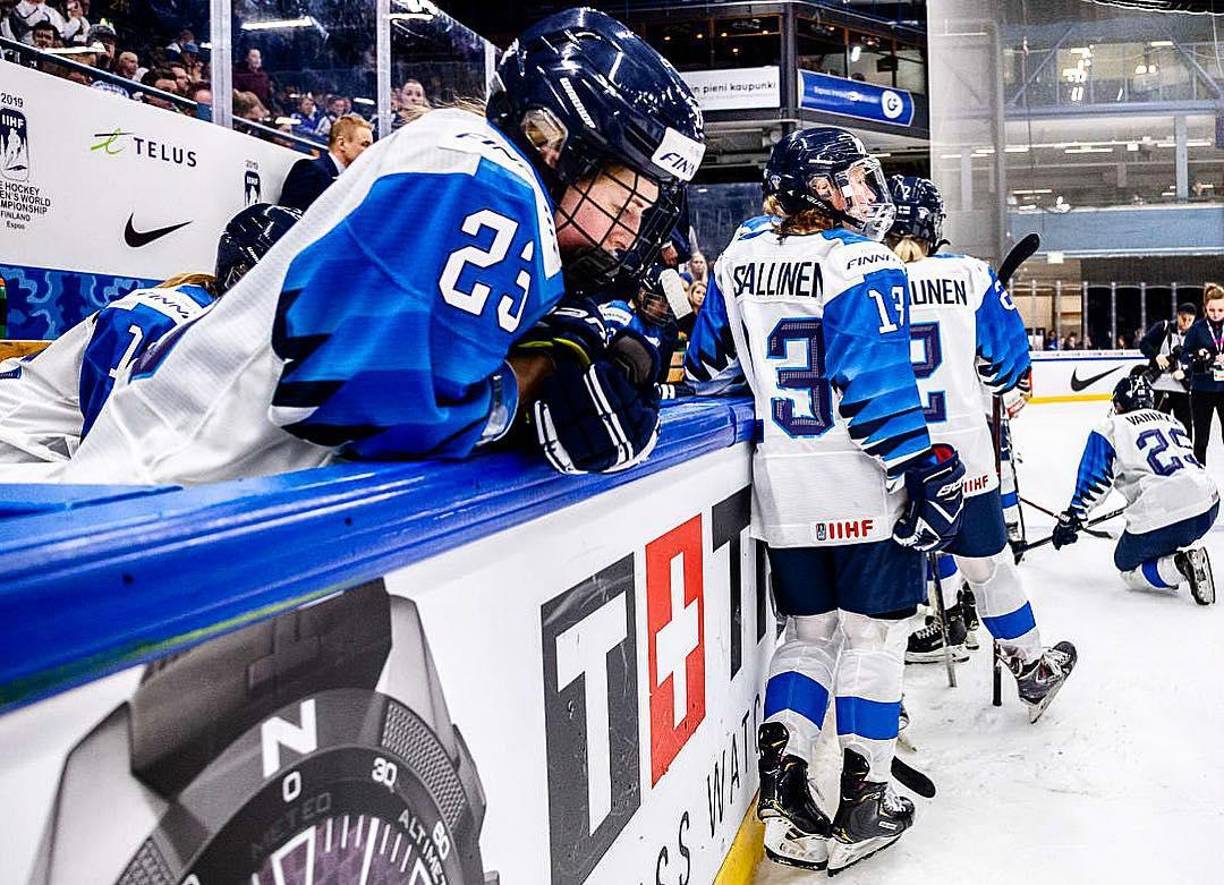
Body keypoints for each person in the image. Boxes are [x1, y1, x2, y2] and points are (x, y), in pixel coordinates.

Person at [51, 8, 703, 486]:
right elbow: (357, 408)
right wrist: (528, 387)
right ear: (555, 141)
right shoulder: (490, 178)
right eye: (625, 204)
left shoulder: (472, 168)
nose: (628, 233)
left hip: (184, 498)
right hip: (162, 501)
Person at [685, 128, 965, 874]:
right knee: (873, 638)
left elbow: (703, 362)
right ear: (816, 186)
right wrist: (926, 469)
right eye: (850, 181)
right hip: (862, 484)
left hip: (784, 486)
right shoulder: (860, 260)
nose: (865, 195)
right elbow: (874, 388)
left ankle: (783, 777)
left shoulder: (738, 256)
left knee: (808, 635)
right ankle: (865, 796)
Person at [885, 175, 1077, 714]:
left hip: (885, 457)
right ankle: (1032, 667)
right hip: (963, 457)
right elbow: (1008, 370)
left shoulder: (857, 278)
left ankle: (883, 699)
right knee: (988, 569)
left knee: (881, 593)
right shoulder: (969, 276)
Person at [0, 205, 301, 466]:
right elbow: (111, 449)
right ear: (242, 275)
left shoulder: (215, 323)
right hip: (15, 440)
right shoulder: (159, 318)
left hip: (48, 445)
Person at [1054, 374, 1217, 605]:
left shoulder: (1110, 427)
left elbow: (1096, 479)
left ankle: (1179, 566)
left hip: (1166, 511)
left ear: (1119, 404)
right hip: (1208, 504)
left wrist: (1073, 516)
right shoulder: (1172, 422)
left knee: (1125, 565)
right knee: (1162, 529)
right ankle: (1166, 554)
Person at [278, 114, 373, 212]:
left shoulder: (353, 180)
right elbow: (292, 217)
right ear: (342, 143)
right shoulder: (310, 169)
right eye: (364, 144)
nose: (370, 151)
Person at [1180, 284, 1224, 465]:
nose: (1216, 313)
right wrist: (1198, 357)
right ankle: (1200, 483)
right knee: (1201, 440)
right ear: (1205, 307)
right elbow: (1184, 356)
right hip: (1201, 391)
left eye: (1221, 309)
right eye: (1212, 309)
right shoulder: (1197, 329)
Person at [1139, 302, 1196, 438]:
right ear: (1177, 316)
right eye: (1183, 318)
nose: (1186, 322)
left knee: (1185, 429)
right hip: (1159, 387)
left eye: (1190, 320)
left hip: (1182, 389)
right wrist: (1156, 356)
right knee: (1157, 426)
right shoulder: (1163, 327)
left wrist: (1186, 373)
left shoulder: (1195, 335)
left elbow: (1200, 361)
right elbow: (1144, 344)